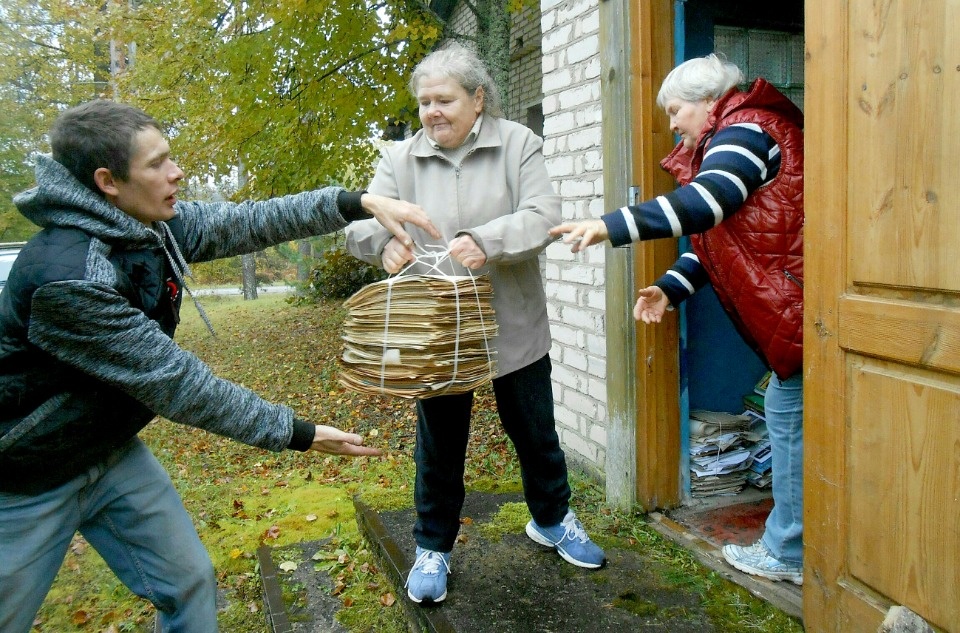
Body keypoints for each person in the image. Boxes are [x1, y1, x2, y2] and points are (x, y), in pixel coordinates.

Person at [0, 99, 441, 633]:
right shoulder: (69, 280)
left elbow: (252, 220)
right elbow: (178, 384)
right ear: (107, 181)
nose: (176, 171)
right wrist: (297, 432)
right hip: (26, 473)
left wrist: (360, 201)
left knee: (188, 583)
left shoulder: (149, 224)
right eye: (157, 163)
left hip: (107, 448)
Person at [345, 41, 605, 604]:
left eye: (444, 100)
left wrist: (485, 241)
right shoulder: (398, 158)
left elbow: (543, 218)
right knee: (439, 443)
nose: (431, 112)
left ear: (478, 98)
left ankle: (553, 519)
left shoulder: (518, 144)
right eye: (423, 103)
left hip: (512, 323)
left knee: (535, 432)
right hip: (436, 335)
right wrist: (383, 244)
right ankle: (432, 546)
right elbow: (362, 224)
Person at [550, 54, 804, 585]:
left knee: (790, 417)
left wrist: (608, 225)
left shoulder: (746, 130)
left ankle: (790, 552)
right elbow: (717, 241)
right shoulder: (732, 136)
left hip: (803, 310)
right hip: (793, 313)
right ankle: (796, 543)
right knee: (789, 412)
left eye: (675, 110)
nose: (671, 124)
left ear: (710, 102)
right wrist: (669, 289)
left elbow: (706, 205)